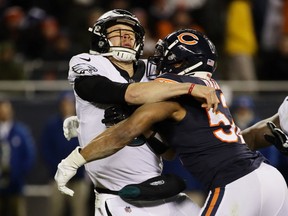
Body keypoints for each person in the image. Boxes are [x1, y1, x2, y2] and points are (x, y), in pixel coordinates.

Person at [55, 29, 288, 216]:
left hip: (237, 185)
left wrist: (76, 159)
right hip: (270, 178)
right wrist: (87, 123)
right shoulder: (210, 88)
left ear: (180, 61)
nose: (159, 62)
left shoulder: (173, 89)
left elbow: (125, 129)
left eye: (166, 57)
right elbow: (170, 150)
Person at [58, 9, 219, 216]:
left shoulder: (155, 72)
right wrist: (187, 87)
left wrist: (143, 125)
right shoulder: (89, 62)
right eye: (117, 31)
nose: (125, 36)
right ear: (100, 37)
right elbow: (98, 89)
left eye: (130, 33)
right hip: (117, 196)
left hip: (158, 188)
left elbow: (168, 152)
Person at [40, 91, 89, 216]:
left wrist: (80, 168)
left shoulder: (83, 124)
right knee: (55, 210)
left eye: (69, 103)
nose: (67, 106)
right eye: (64, 103)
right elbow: (45, 149)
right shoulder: (52, 126)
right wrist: (58, 168)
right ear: (60, 105)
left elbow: (89, 148)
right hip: (58, 178)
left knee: (79, 211)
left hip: (79, 178)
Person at [0, 100, 36, 216]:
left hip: (16, 186)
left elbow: (29, 156)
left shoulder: (21, 132)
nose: (4, 112)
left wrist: (18, 175)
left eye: (7, 109)